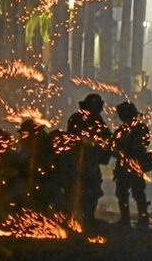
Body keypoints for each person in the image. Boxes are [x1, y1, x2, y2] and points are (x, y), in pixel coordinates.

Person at [67, 93, 112, 229]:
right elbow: (72, 138)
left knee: (92, 188)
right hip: (78, 160)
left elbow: (106, 136)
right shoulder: (77, 118)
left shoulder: (96, 119)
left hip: (91, 160)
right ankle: (75, 216)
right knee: (77, 187)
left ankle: (88, 217)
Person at [111, 101, 151, 228]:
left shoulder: (139, 128)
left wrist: (127, 150)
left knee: (137, 192)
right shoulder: (122, 130)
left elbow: (141, 145)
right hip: (123, 165)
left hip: (135, 165)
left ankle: (143, 218)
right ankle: (126, 219)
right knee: (122, 192)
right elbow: (113, 146)